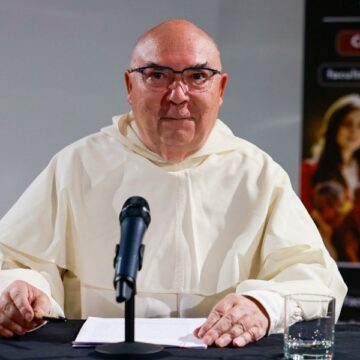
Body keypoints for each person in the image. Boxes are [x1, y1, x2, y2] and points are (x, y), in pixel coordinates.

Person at [0, 19, 346, 348]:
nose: (178, 95)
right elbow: (16, 260)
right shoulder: (77, 165)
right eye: (156, 75)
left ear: (220, 88)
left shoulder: (257, 174)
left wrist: (262, 305)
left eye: (198, 76)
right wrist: (26, 290)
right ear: (129, 87)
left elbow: (312, 275)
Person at [301, 94, 360, 212]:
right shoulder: (308, 171)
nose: (354, 131)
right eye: (347, 124)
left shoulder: (357, 170)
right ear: (334, 127)